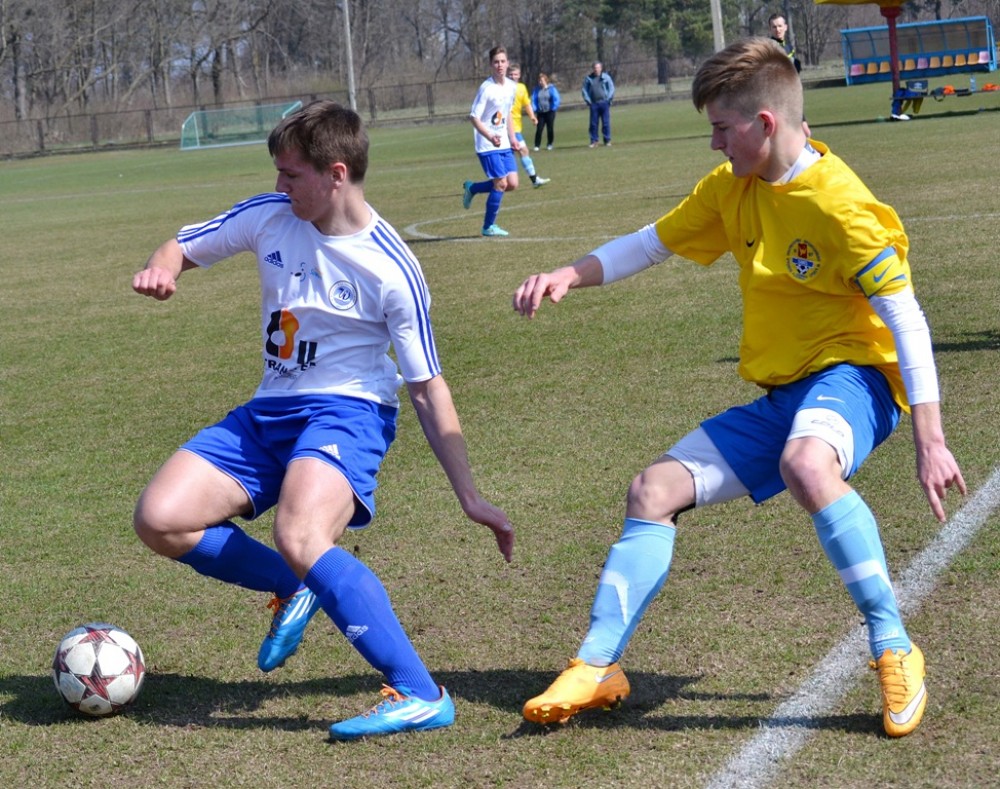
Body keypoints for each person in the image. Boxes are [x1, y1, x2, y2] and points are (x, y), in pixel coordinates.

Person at [513, 38, 965, 738]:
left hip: (857, 378)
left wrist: (930, 440)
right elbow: (651, 243)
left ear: (765, 123)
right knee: (651, 491)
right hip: (785, 394)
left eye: (723, 128)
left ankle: (893, 645)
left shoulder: (841, 205)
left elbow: (905, 317)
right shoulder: (731, 188)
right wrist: (569, 274)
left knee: (806, 464)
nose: (715, 143)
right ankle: (598, 665)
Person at [132, 100, 514, 742]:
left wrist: (470, 496)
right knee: (160, 519)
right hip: (268, 411)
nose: (279, 185)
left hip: (349, 410)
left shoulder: (392, 267)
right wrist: (162, 270)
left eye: (291, 174)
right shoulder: (270, 215)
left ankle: (420, 693)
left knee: (301, 533)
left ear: (336, 174)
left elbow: (427, 387)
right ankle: (295, 584)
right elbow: (182, 246)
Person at [462, 46, 520, 237]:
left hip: (503, 143)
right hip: (487, 144)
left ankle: (472, 188)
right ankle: (488, 227)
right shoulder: (486, 89)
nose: (500, 65)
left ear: (508, 63)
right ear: (491, 65)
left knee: (512, 183)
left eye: (503, 61)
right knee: (501, 183)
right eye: (496, 62)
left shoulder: (511, 86)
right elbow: (474, 117)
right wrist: (489, 136)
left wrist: (513, 137)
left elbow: (507, 113)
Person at [508, 63, 550, 187]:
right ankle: (533, 179)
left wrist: (532, 116)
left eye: (515, 74)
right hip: (508, 127)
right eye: (510, 74)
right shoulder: (503, 88)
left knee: (517, 152)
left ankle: (532, 179)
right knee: (523, 150)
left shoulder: (521, 88)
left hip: (516, 125)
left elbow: (526, 104)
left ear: (519, 75)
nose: (513, 76)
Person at [582, 61, 615, 147]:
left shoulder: (606, 77)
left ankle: (607, 140)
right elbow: (584, 90)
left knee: (606, 123)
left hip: (604, 103)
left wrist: (608, 99)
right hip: (594, 104)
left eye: (598, 68)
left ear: (601, 68)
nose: (596, 69)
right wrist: (588, 101)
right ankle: (594, 141)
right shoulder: (588, 79)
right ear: (593, 69)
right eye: (595, 68)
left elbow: (611, 88)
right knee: (593, 124)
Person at [532, 72, 561, 151]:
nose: (540, 82)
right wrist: (534, 109)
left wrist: (553, 108)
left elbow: (556, 99)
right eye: (539, 81)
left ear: (546, 81)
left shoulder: (551, 89)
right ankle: (537, 145)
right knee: (539, 129)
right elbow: (534, 100)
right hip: (540, 112)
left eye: (542, 80)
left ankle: (549, 144)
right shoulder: (536, 90)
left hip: (550, 112)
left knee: (550, 128)